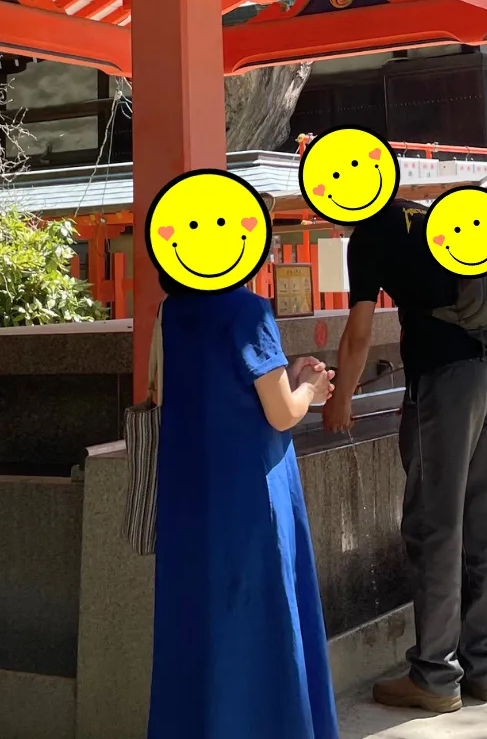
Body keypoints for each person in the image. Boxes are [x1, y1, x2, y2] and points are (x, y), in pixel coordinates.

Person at [325, 186, 487, 714]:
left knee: (436, 527)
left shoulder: (370, 233)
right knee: (484, 526)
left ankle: (435, 675)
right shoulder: (425, 214)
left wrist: (341, 398)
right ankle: (484, 668)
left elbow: (359, 334)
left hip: (445, 382)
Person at [149, 267, 339, 739]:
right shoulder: (246, 309)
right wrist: (310, 388)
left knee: (195, 626)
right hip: (251, 491)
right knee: (263, 623)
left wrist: (287, 377)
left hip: (189, 491)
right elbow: (281, 413)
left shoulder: (171, 311)